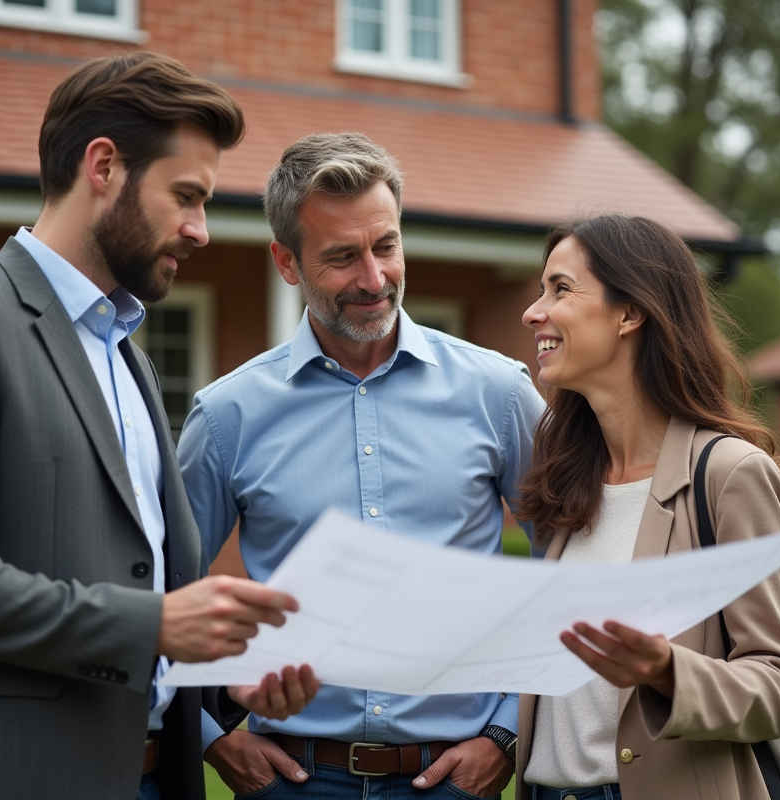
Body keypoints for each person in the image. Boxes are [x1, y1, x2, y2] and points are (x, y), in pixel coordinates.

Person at [0, 52, 317, 800]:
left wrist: (230, 678)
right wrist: (156, 627)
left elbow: (140, 586)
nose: (201, 231)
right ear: (102, 166)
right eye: (186, 197)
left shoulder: (129, 358)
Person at [177, 132, 547, 799]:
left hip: (456, 780)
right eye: (343, 257)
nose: (374, 279)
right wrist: (211, 736)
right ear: (286, 262)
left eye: (386, 246)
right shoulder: (227, 415)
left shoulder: (500, 393)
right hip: (293, 781)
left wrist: (507, 732)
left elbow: (571, 567)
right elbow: (163, 591)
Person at [514, 215, 780, 800]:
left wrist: (667, 672)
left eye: (561, 289)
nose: (533, 312)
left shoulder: (730, 475)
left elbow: (779, 688)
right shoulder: (567, 479)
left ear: (630, 313)